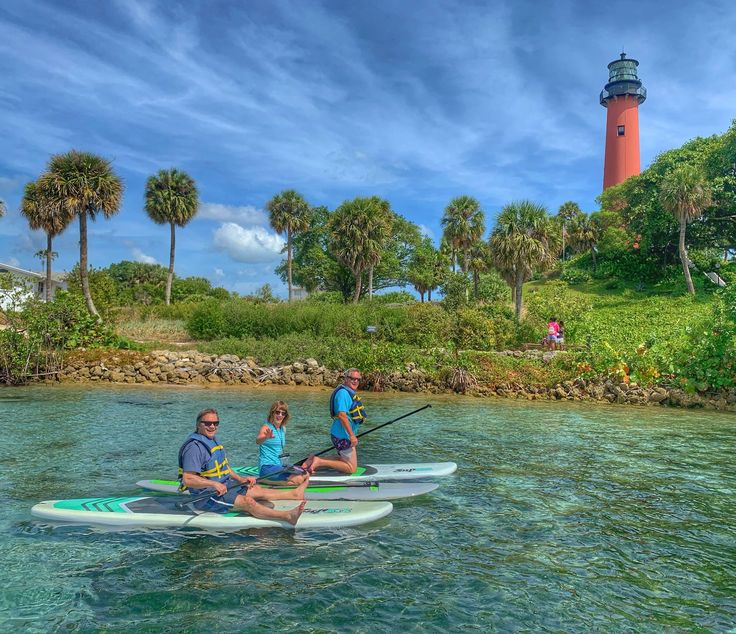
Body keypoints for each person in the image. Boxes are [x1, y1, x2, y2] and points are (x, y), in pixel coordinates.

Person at [178, 408, 308, 525]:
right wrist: (214, 484)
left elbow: (225, 468)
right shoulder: (194, 448)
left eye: (215, 423)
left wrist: (241, 480)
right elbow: (188, 479)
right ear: (198, 424)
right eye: (207, 423)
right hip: (207, 495)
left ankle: (294, 493)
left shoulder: (211, 440)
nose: (212, 426)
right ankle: (287, 516)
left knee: (257, 490)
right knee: (248, 502)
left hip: (225, 485)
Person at [303, 368, 366, 475]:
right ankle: (319, 462)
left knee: (343, 459)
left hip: (341, 434)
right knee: (351, 468)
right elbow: (342, 415)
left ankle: (313, 459)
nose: (355, 381)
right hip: (343, 436)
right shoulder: (343, 394)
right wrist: (351, 436)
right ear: (346, 379)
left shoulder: (346, 392)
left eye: (357, 379)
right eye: (352, 378)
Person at [255, 400, 308, 486]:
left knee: (305, 473)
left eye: (283, 413)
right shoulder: (266, 428)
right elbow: (258, 441)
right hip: (267, 467)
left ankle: (282, 481)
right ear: (272, 413)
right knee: (298, 479)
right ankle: (264, 480)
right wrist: (265, 437)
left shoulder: (283, 429)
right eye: (277, 412)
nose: (280, 415)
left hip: (279, 466)